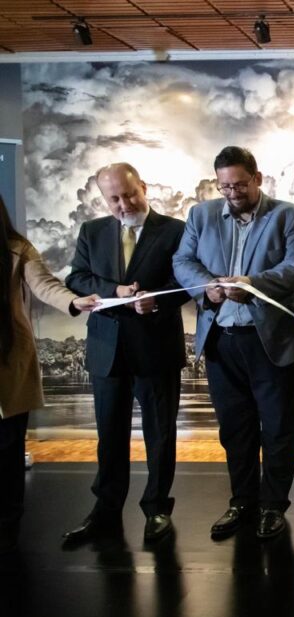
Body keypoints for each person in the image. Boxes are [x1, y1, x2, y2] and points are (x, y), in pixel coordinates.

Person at [172, 146, 294, 540]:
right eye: (224, 186)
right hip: (221, 340)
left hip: (272, 341)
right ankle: (242, 502)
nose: (232, 193)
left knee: (279, 429)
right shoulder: (200, 216)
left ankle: (273, 506)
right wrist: (208, 290)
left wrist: (254, 285)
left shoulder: (289, 215)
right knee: (235, 429)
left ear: (258, 178)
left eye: (239, 185)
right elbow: (182, 261)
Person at [63, 163, 189, 545]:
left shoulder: (176, 230)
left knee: (160, 435)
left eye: (129, 194)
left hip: (156, 348)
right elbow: (77, 278)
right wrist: (116, 291)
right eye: (113, 198)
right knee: (109, 436)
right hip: (107, 349)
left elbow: (187, 283)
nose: (123, 204)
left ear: (144, 187)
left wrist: (157, 302)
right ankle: (105, 510)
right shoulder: (92, 231)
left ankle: (156, 511)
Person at [0, 196, 98, 552]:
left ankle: (9, 526)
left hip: (7, 360)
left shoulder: (17, 248)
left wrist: (74, 301)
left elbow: (44, 285)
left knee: (8, 448)